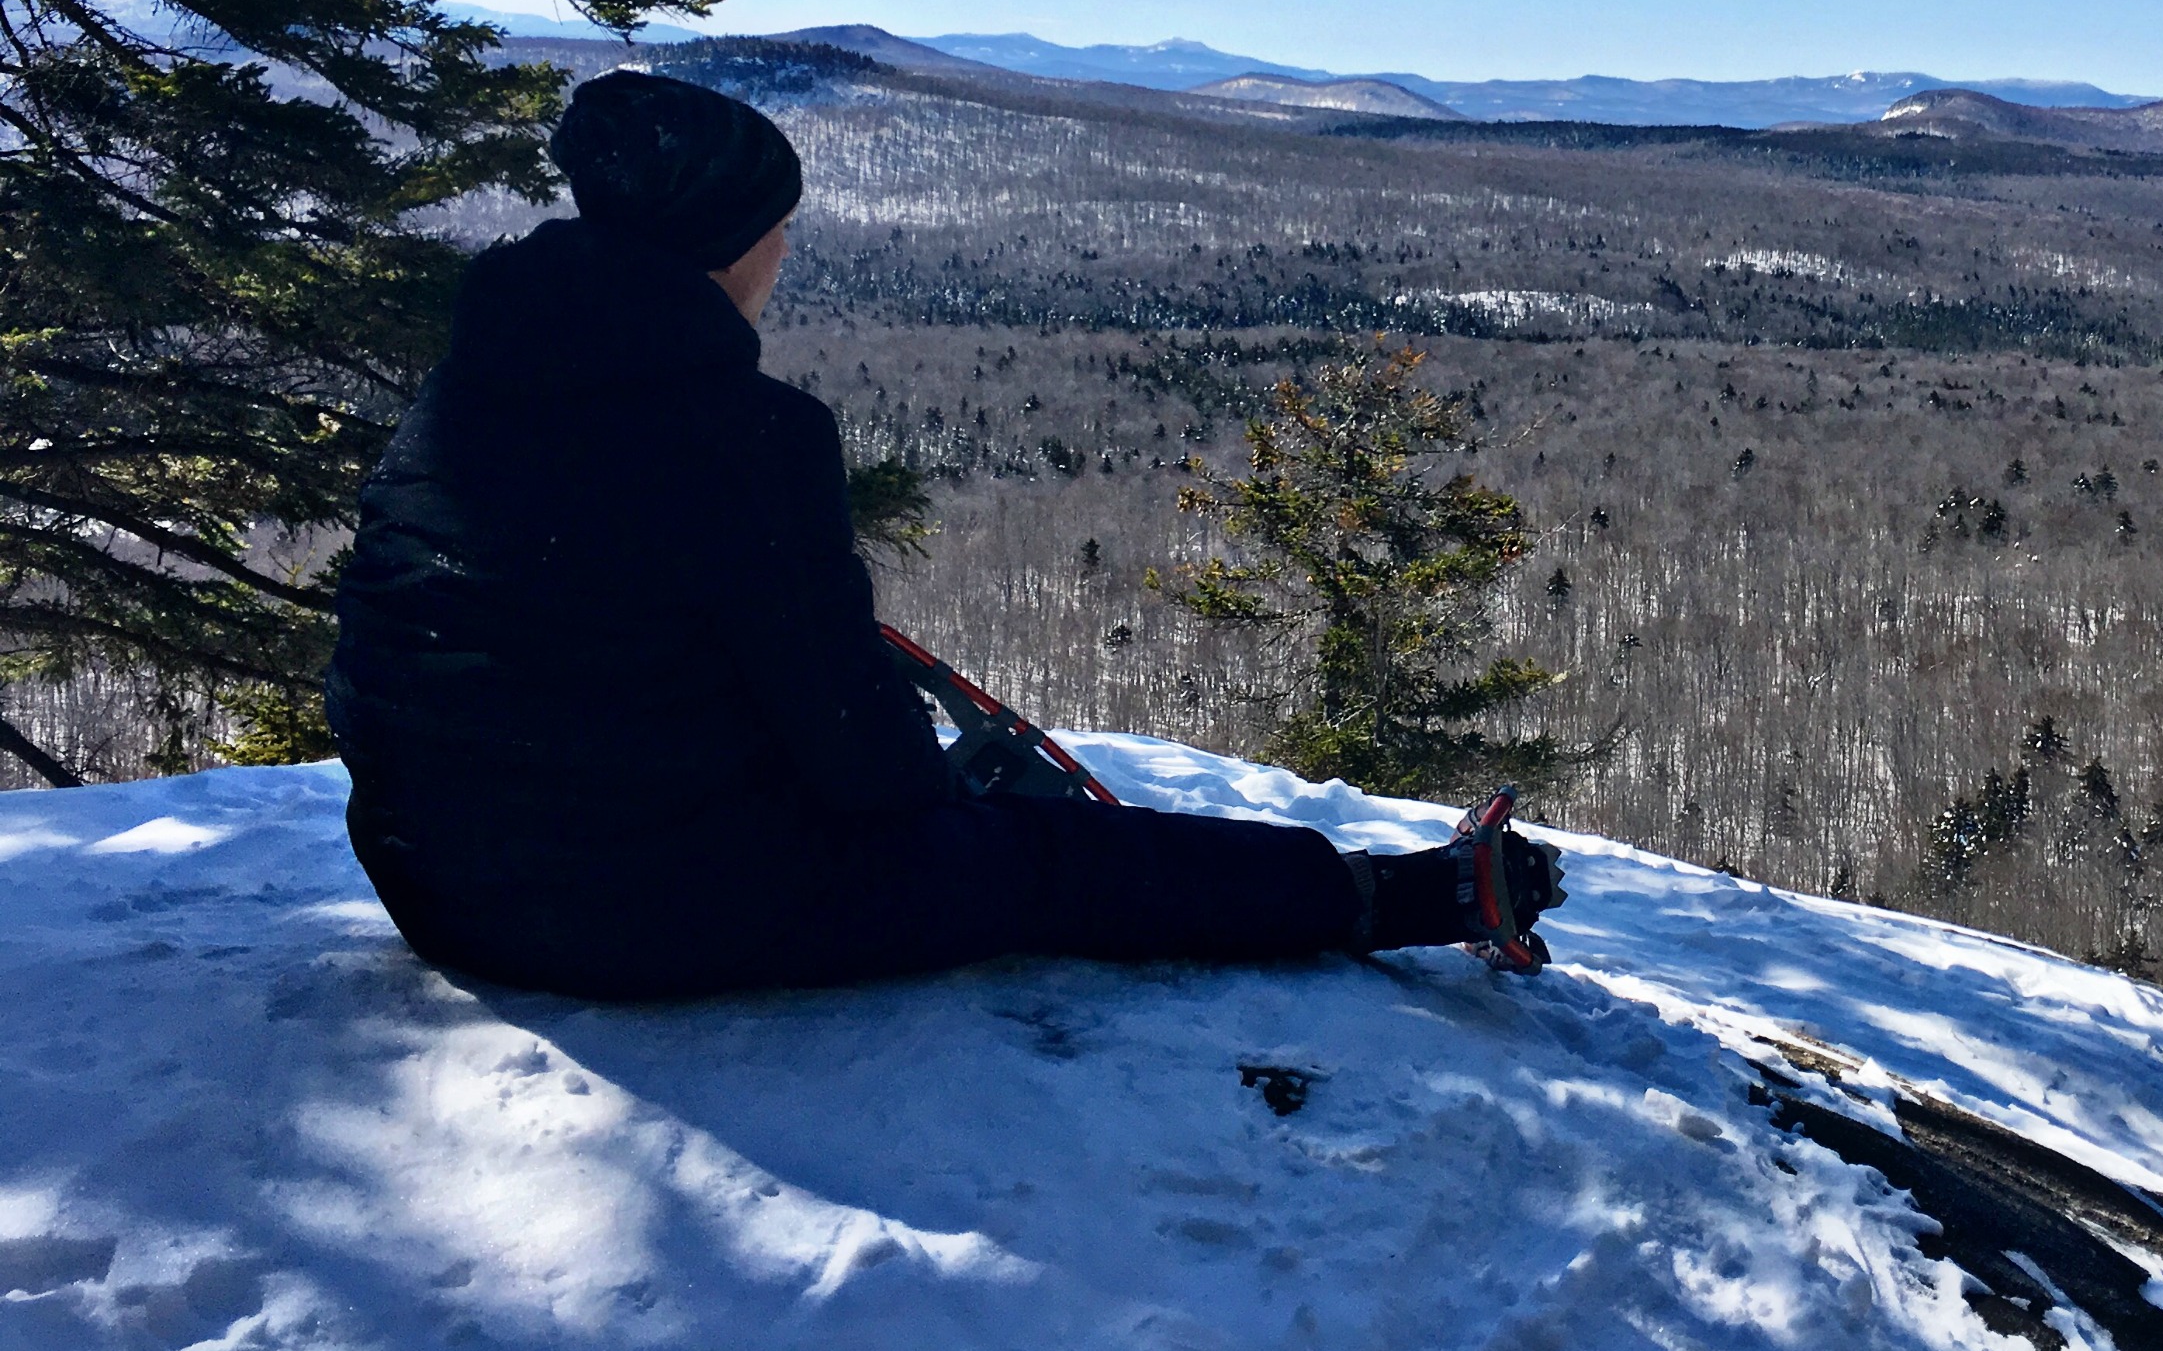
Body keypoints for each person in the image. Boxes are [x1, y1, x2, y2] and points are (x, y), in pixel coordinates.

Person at [326, 69, 1558, 1000]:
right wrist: (925, 791)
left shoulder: (470, 390)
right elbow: (864, 763)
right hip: (631, 915)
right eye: (776, 225)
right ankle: (1409, 896)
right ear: (722, 248)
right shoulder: (749, 438)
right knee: (1044, 860)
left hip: (432, 882)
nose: (786, 249)